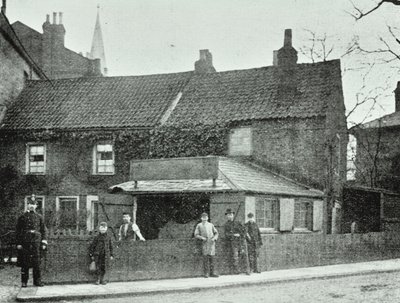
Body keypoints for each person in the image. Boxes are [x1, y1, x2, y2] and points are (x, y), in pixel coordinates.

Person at [16, 194, 47, 287]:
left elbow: (43, 230)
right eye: (30, 204)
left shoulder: (40, 217)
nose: (32, 206)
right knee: (25, 262)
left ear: (36, 206)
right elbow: (18, 231)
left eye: (34, 204)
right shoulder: (22, 217)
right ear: (27, 205)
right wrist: (18, 243)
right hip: (25, 242)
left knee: (36, 262)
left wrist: (44, 241)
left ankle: (37, 281)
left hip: (36, 242)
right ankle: (24, 282)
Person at [224, 208, 250, 275]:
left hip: (241, 241)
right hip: (234, 242)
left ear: (233, 215)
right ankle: (237, 271)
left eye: (231, 214)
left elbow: (245, 230)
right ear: (226, 216)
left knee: (244, 255)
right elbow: (226, 234)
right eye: (228, 215)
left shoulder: (238, 222)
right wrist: (233, 235)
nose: (229, 216)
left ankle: (247, 270)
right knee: (235, 256)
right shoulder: (226, 224)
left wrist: (240, 235)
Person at [194, 213, 219, 278]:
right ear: (201, 218)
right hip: (204, 243)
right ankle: (206, 273)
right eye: (203, 217)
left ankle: (213, 272)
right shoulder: (199, 225)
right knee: (205, 258)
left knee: (212, 258)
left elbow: (216, 233)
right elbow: (196, 234)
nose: (204, 218)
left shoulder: (211, 225)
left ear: (207, 218)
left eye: (206, 217)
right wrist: (202, 238)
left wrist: (214, 238)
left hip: (211, 243)